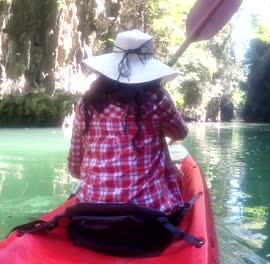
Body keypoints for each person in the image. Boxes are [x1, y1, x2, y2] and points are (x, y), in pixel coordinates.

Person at [67, 29, 188, 215]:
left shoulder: (86, 103)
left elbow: (75, 165)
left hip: (90, 213)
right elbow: (180, 133)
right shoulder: (157, 99)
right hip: (148, 216)